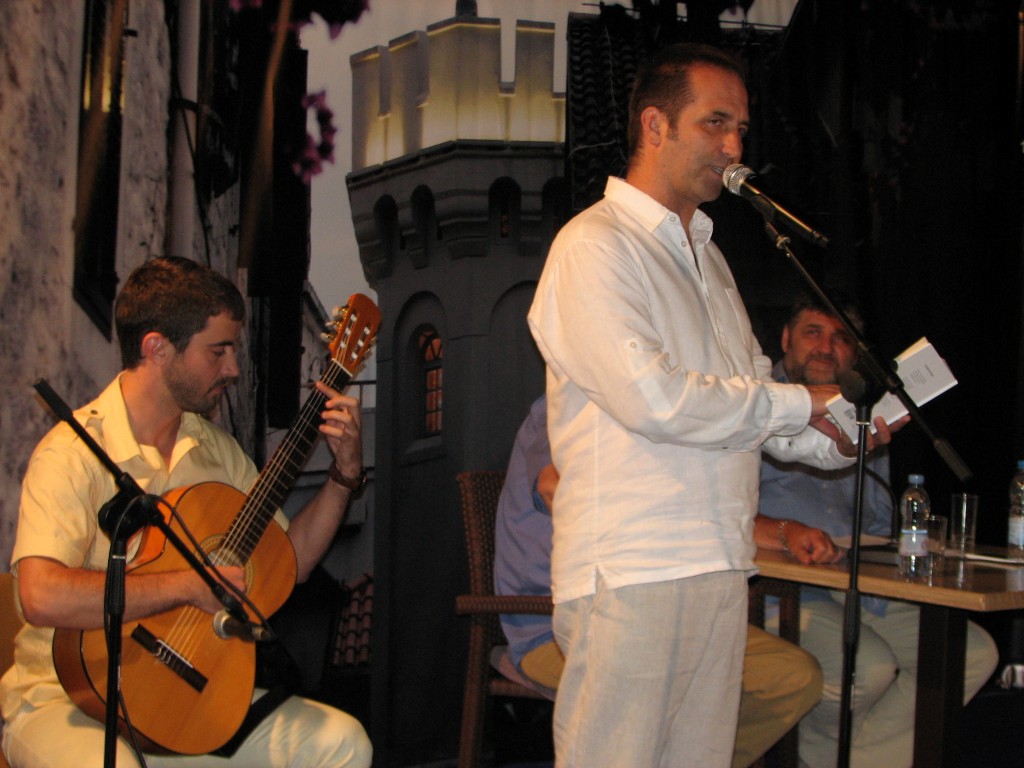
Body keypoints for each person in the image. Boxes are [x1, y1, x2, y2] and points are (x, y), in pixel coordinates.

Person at [527, 42, 898, 767]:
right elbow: (656, 401)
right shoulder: (593, 246)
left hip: (720, 560)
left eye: (742, 130)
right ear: (655, 124)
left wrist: (841, 436)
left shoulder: (710, 257)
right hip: (634, 566)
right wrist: (801, 403)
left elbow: (751, 402)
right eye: (716, 124)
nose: (735, 148)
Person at [0, 257, 372, 768]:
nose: (233, 369)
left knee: (344, 743)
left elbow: (291, 562)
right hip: (67, 702)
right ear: (157, 348)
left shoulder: (218, 453)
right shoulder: (71, 453)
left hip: (187, 698)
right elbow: (40, 596)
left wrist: (343, 476)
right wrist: (185, 586)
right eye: (218, 351)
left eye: (233, 350)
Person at [495, 395, 827, 768]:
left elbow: (702, 510)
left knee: (793, 676)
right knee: (665, 691)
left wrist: (784, 531)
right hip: (560, 626)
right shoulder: (568, 405)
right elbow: (556, 487)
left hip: (669, 612)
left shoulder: (665, 414)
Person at [759, 292, 999, 768]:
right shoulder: (758, 404)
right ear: (785, 339)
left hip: (860, 587)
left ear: (856, 354)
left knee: (972, 654)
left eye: (841, 338)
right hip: (780, 590)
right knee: (868, 668)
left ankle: (846, 759)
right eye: (813, 333)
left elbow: (876, 524)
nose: (826, 348)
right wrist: (786, 532)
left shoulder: (866, 415)